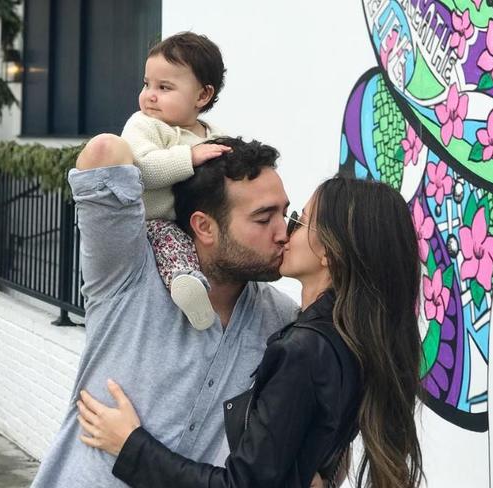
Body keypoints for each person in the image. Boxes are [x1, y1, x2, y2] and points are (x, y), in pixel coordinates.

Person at [77, 176, 425, 488]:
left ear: (330, 254)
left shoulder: (305, 350)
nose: (285, 233)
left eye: (299, 222)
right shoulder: (350, 341)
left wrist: (130, 444)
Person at [29, 136, 299, 488]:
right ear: (204, 227)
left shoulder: (281, 319)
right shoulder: (127, 273)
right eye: (264, 219)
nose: (283, 233)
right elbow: (104, 153)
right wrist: (182, 157)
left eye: (285, 213)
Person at [122, 31, 230, 330]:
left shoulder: (212, 134)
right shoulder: (144, 124)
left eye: (164, 87)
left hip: (197, 224)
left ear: (202, 95)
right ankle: (187, 287)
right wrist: (190, 157)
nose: (150, 95)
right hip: (155, 221)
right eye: (147, 84)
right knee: (171, 246)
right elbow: (142, 169)